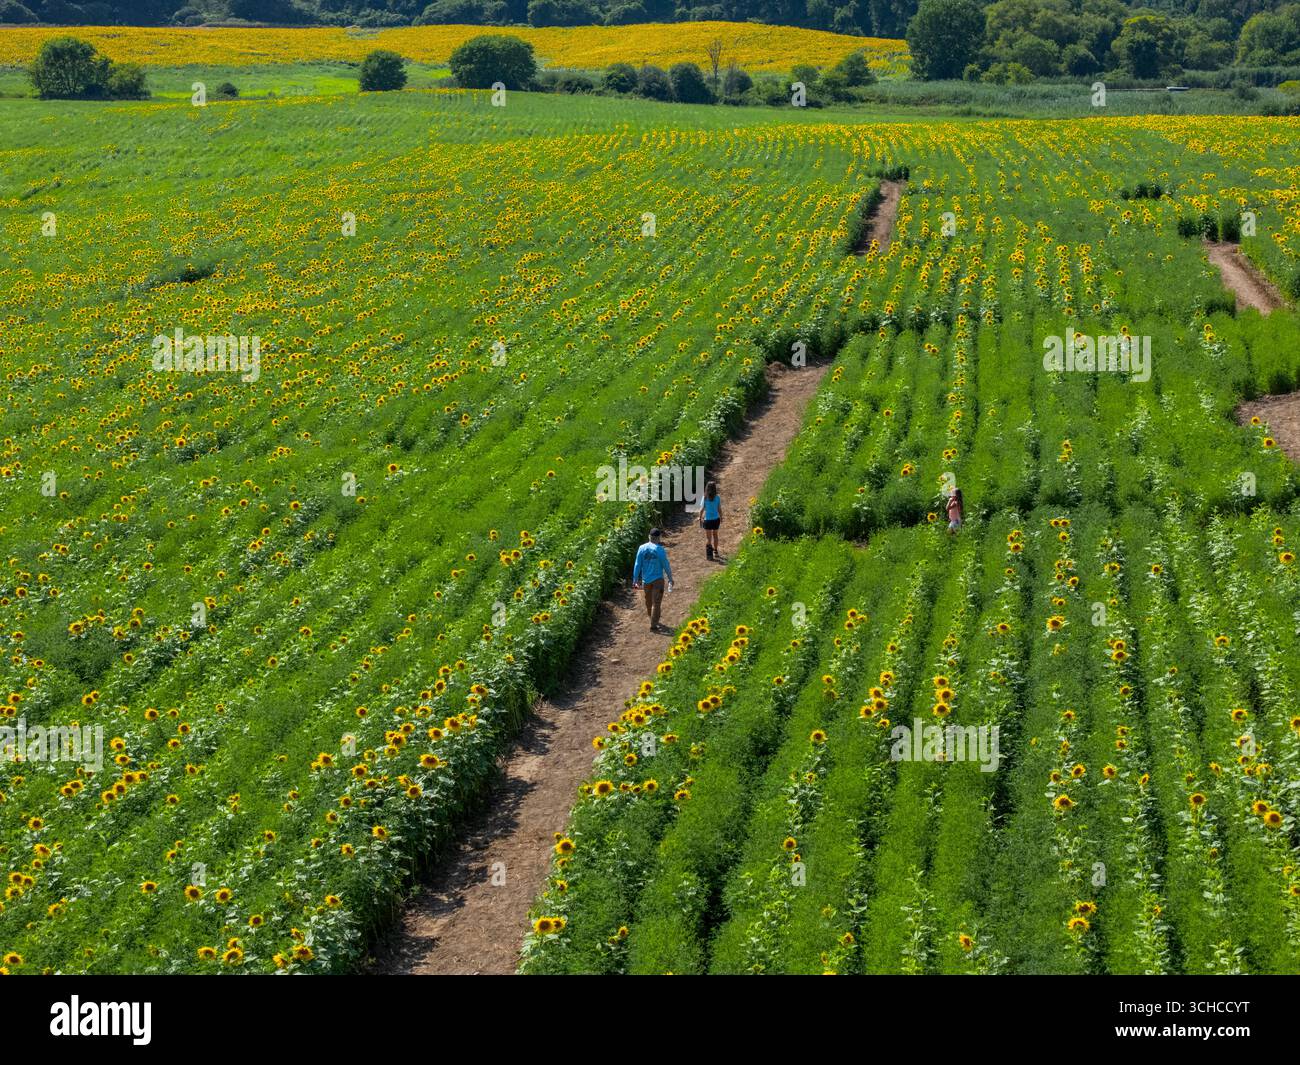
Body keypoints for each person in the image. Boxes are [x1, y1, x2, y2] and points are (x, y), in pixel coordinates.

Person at [632, 528, 673, 632]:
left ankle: (652, 619)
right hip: (658, 579)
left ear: (649, 537)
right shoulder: (659, 549)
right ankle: (654, 624)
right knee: (657, 603)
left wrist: (635, 580)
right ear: (659, 538)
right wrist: (670, 578)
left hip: (646, 580)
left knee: (648, 602)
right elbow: (665, 565)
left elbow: (637, 565)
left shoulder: (641, 548)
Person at [699, 481, 722, 561]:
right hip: (716, 520)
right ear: (715, 488)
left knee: (708, 539)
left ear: (707, 488)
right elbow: (719, 509)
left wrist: (700, 518)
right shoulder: (717, 497)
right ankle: (715, 551)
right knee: (715, 535)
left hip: (707, 520)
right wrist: (721, 518)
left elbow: (701, 510)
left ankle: (709, 555)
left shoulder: (704, 498)